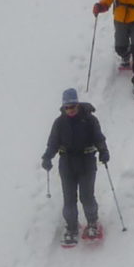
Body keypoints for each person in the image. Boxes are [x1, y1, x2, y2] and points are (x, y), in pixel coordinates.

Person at [41, 88, 109, 246]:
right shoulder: (59, 123)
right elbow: (53, 143)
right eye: (67, 107)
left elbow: (99, 138)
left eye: (72, 106)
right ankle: (71, 227)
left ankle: (92, 223)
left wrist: (103, 151)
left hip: (86, 161)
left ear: (77, 105)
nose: (70, 110)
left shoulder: (90, 120)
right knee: (69, 198)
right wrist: (47, 157)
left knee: (87, 196)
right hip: (67, 163)